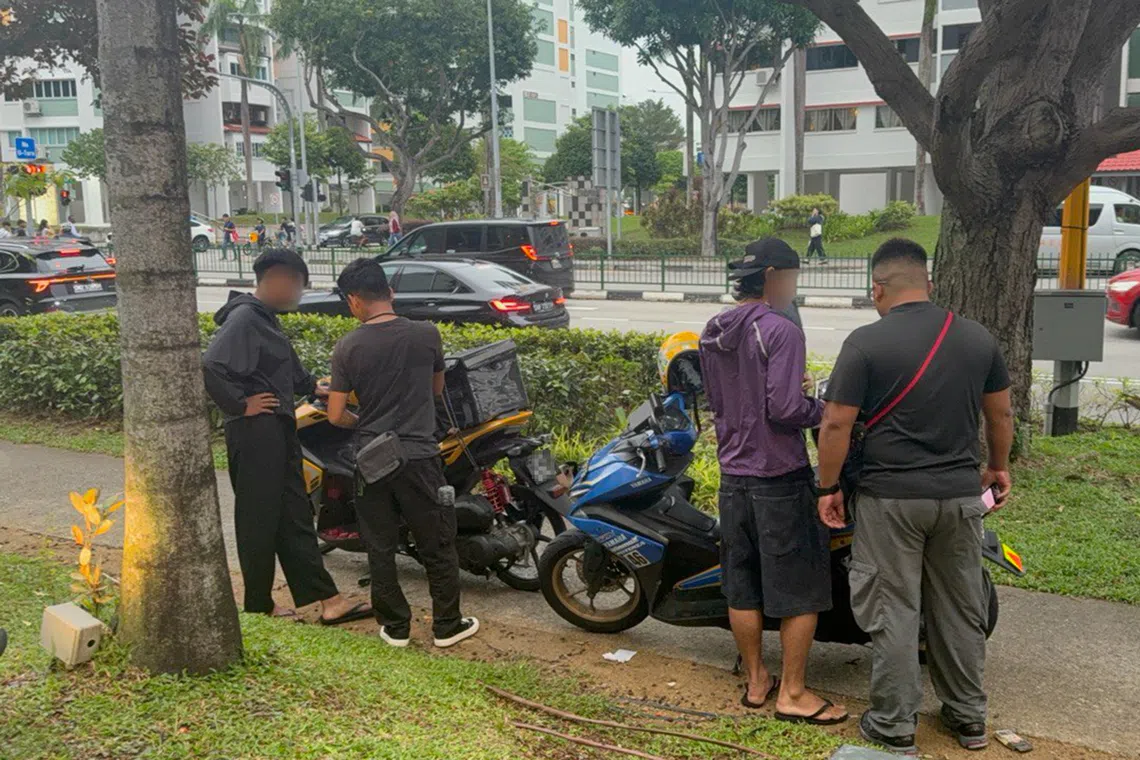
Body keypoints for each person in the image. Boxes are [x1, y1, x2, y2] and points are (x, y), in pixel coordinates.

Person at [815, 238, 1014, 754]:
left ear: (877, 288)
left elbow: (836, 422)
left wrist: (829, 486)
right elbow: (1001, 415)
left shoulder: (864, 343)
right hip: (960, 497)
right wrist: (997, 466)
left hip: (891, 500)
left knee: (894, 609)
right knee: (960, 608)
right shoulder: (976, 339)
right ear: (928, 283)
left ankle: (894, 725)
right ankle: (969, 719)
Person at [699, 238, 848, 726]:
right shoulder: (778, 330)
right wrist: (824, 410)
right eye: (792, 277)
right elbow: (784, 408)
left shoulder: (713, 329)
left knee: (742, 584)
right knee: (799, 587)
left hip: (732, 475)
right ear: (771, 276)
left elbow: (727, 399)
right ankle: (794, 693)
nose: (793, 287)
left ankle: (757, 680)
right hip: (779, 477)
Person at [202, 248, 372, 625]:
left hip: (278, 428)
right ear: (276, 278)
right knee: (260, 517)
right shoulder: (245, 318)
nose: (299, 292)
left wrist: (316, 388)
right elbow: (211, 366)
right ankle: (259, 604)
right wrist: (239, 404)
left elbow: (284, 372)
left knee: (294, 513)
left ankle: (328, 600)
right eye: (297, 284)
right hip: (255, 432)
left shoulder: (265, 319)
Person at [324, 258, 479, 650]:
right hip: (420, 457)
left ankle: (395, 627)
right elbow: (438, 388)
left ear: (354, 300)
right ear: (390, 293)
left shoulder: (347, 346)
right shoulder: (426, 334)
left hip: (372, 460)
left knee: (379, 545)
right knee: (437, 542)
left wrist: (362, 422)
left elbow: (336, 414)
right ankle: (447, 625)